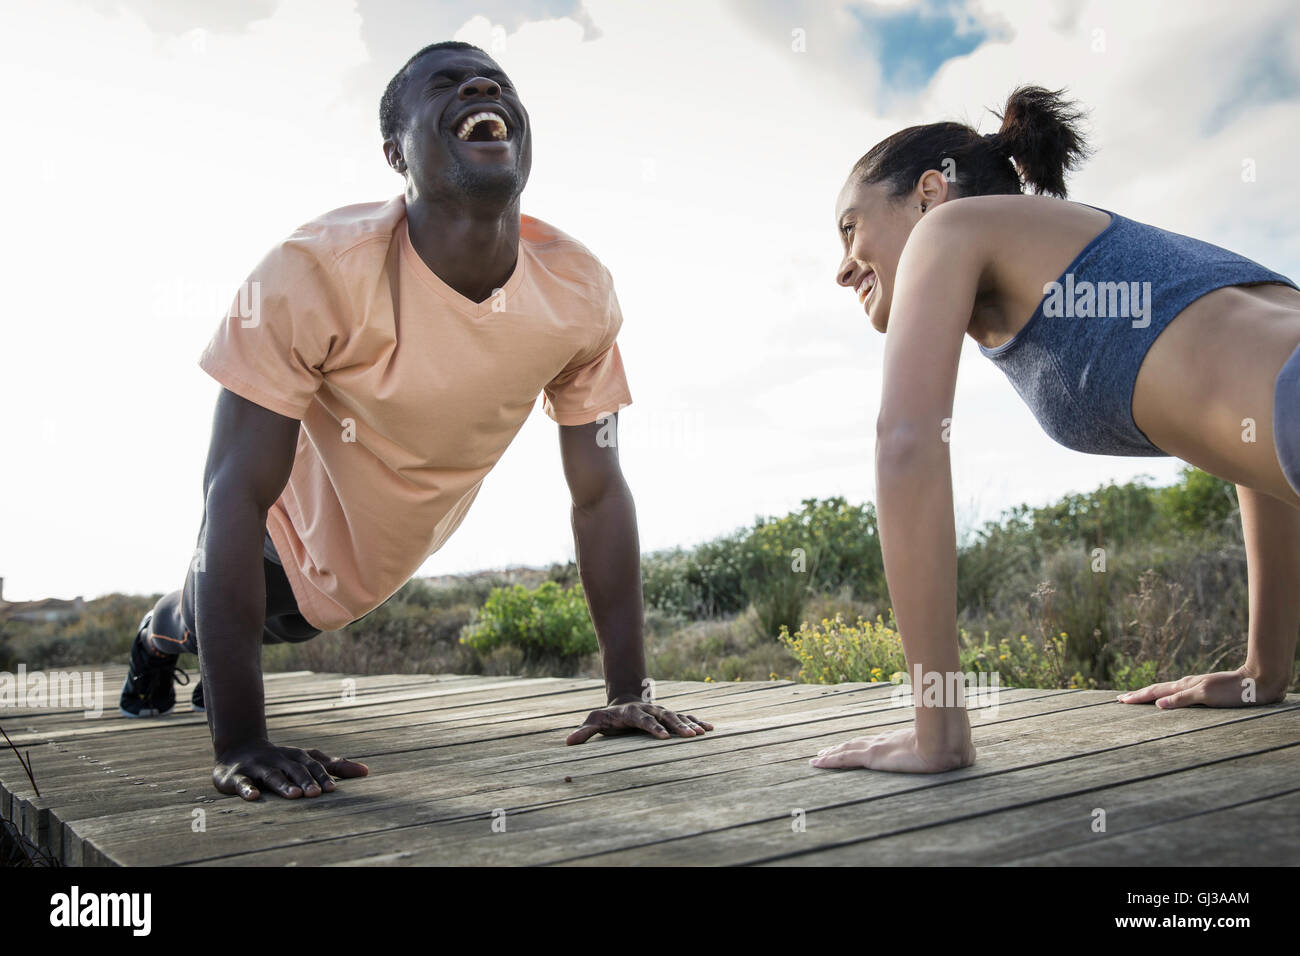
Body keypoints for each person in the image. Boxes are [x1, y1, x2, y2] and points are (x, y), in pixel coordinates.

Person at [119, 40, 712, 801]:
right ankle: (156, 638)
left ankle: (201, 647)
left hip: (385, 558)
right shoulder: (311, 274)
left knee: (293, 626)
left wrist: (628, 689)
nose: (480, 84)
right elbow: (231, 495)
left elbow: (598, 492)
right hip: (280, 541)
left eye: (497, 82)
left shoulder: (579, 293)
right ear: (395, 152)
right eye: (447, 84)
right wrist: (241, 740)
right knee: (218, 618)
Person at [813, 86, 1300, 774]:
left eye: (849, 228)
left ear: (929, 193)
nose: (840, 268)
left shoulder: (952, 229)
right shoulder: (1100, 250)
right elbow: (1255, 444)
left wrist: (938, 728)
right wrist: (1263, 669)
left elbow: (906, 442)